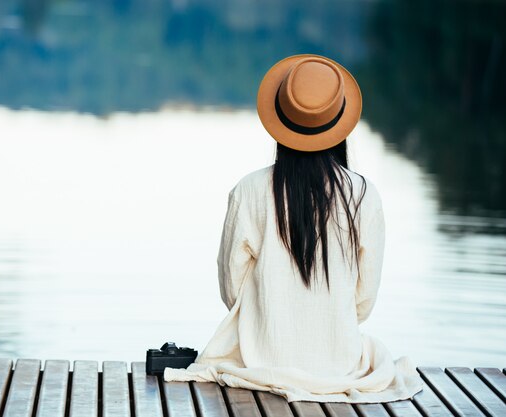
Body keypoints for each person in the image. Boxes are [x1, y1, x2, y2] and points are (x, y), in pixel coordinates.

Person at [162, 54, 425, 403]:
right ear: (338, 123)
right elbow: (363, 302)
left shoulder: (249, 191)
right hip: (338, 362)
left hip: (260, 359)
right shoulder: (364, 196)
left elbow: (231, 289)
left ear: (280, 121)